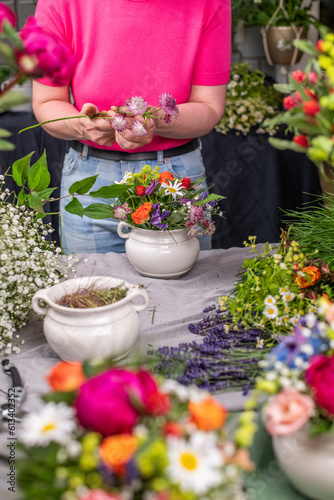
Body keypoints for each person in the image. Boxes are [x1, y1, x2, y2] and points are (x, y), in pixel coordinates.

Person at [32, 0, 231, 254]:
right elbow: (47, 101)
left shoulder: (210, 3)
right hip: (90, 179)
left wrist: (156, 120)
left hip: (174, 178)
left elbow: (209, 107)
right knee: (88, 290)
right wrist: (83, 126)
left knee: (184, 290)